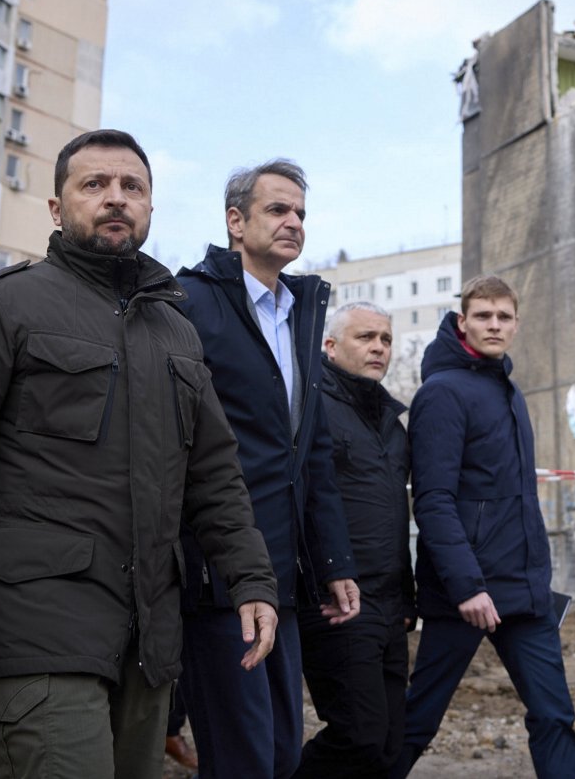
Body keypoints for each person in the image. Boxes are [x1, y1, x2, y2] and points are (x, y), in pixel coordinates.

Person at [0, 129, 277, 779]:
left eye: (131, 186)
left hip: (149, 637)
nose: (115, 198)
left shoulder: (177, 332)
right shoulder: (7, 305)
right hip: (36, 624)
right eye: (94, 184)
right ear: (57, 208)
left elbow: (214, 473)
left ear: (151, 208)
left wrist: (250, 577)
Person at [175, 159, 359, 778]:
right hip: (216, 576)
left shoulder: (300, 313)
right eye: (278, 209)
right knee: (242, 760)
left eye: (301, 213)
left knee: (281, 755)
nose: (293, 222)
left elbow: (311, 457)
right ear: (236, 221)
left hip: (282, 575)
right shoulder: (190, 303)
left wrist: (332, 562)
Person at [392, 276, 575, 779]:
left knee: (554, 716)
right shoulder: (442, 393)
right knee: (418, 722)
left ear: (517, 324)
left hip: (524, 594)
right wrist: (467, 586)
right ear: (463, 322)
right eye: (483, 316)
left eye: (503, 317)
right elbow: (433, 501)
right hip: (465, 595)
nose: (494, 325)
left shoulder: (509, 391)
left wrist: (537, 580)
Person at [297, 302, 413, 778]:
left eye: (385, 339)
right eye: (366, 337)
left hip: (389, 604)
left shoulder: (390, 420)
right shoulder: (311, 406)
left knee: (389, 744)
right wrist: (325, 575)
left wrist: (406, 598)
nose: (378, 348)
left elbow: (394, 514)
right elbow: (300, 500)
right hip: (339, 600)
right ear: (330, 345)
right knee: (358, 735)